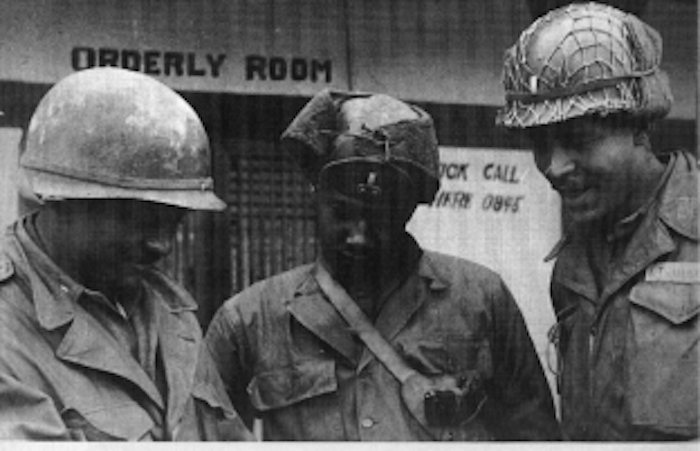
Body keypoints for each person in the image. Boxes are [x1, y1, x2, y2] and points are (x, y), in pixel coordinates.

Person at [205, 88, 560, 441]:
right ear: (316, 199)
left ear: (407, 212)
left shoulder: (482, 300)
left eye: (378, 218)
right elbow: (200, 436)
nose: (358, 236)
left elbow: (536, 436)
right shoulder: (248, 321)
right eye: (342, 213)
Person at [0, 67, 253, 441]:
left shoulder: (172, 316)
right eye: (140, 220)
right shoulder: (10, 326)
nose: (162, 245)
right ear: (63, 199)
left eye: (174, 222)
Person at [498, 2, 700, 441]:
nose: (553, 166)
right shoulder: (572, 268)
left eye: (577, 139)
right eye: (540, 144)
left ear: (639, 127)